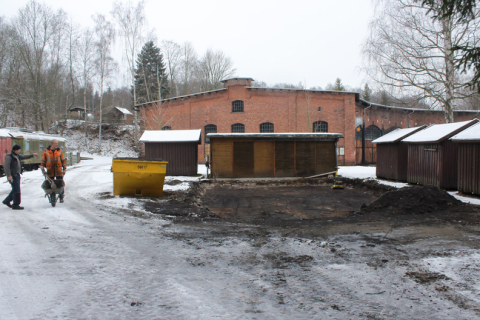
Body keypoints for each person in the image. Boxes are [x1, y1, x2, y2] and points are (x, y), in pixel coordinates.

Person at [2, 144, 38, 210]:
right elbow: (6, 166)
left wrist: (32, 155)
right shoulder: (9, 156)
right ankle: (16, 204)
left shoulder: (16, 155)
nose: (19, 151)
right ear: (16, 150)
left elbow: (24, 156)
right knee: (17, 190)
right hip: (13, 175)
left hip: (16, 174)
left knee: (15, 189)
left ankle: (7, 200)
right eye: (19, 150)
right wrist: (9, 175)